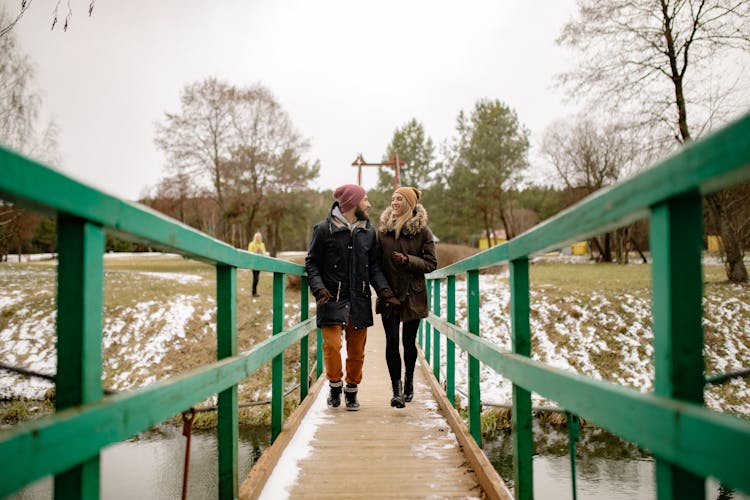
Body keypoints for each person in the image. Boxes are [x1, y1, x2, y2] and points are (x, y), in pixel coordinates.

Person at [306, 184, 399, 410]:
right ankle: (334, 386)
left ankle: (351, 391)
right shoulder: (323, 229)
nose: (369, 204)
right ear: (352, 204)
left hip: (359, 299)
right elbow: (312, 262)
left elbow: (374, 266)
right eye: (365, 199)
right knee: (331, 346)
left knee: (357, 351)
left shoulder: (369, 231)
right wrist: (318, 288)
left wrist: (384, 290)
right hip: (331, 298)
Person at [376, 186, 437, 408]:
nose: (394, 202)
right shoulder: (383, 231)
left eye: (399, 199)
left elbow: (431, 264)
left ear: (409, 203)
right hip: (389, 294)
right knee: (392, 341)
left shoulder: (423, 232)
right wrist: (384, 291)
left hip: (413, 294)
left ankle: (409, 381)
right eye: (392, 198)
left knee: (408, 342)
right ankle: (397, 390)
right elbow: (375, 264)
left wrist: (408, 260)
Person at [247, 232, 267, 297]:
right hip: (254, 263)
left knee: (257, 278)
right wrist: (256, 251)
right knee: (255, 278)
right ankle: (253, 293)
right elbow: (249, 252)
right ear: (255, 238)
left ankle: (254, 292)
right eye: (257, 237)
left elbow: (264, 253)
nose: (258, 238)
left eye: (260, 237)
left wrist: (261, 251)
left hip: (259, 263)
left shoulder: (262, 244)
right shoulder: (251, 244)